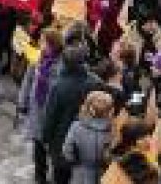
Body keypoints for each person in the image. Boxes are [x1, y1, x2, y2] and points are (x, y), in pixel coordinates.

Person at [42, 44, 104, 184]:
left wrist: (45, 138)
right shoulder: (94, 82)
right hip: (87, 141)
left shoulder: (58, 86)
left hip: (61, 140)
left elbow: (50, 116)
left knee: (60, 176)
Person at [19, 28, 65, 184]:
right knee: (37, 144)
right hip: (37, 108)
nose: (39, 42)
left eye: (43, 40)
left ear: (51, 44)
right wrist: (22, 102)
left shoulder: (62, 65)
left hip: (52, 112)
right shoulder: (38, 57)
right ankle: (40, 174)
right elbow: (28, 79)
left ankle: (54, 173)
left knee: (52, 146)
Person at [62, 91, 114, 184]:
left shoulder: (77, 126)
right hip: (102, 174)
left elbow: (67, 150)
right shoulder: (111, 130)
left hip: (80, 172)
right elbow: (110, 154)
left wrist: (73, 161)